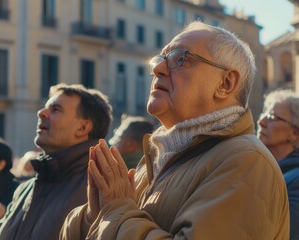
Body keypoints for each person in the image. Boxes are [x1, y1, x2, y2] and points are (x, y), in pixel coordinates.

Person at [60, 21, 289, 239]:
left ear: (225, 84)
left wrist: (115, 211)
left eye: (180, 59)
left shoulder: (247, 161)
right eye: (160, 58)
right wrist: (93, 215)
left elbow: (119, 214)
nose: (158, 68)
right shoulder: (160, 156)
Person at [0, 83, 112, 240]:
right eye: (45, 107)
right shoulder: (26, 188)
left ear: (82, 128)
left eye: (55, 109)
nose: (41, 113)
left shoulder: (101, 188)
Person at [257, 89, 299, 240]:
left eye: (272, 117)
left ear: (294, 133)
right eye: (264, 114)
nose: (261, 122)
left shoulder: (296, 181)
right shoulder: (260, 169)